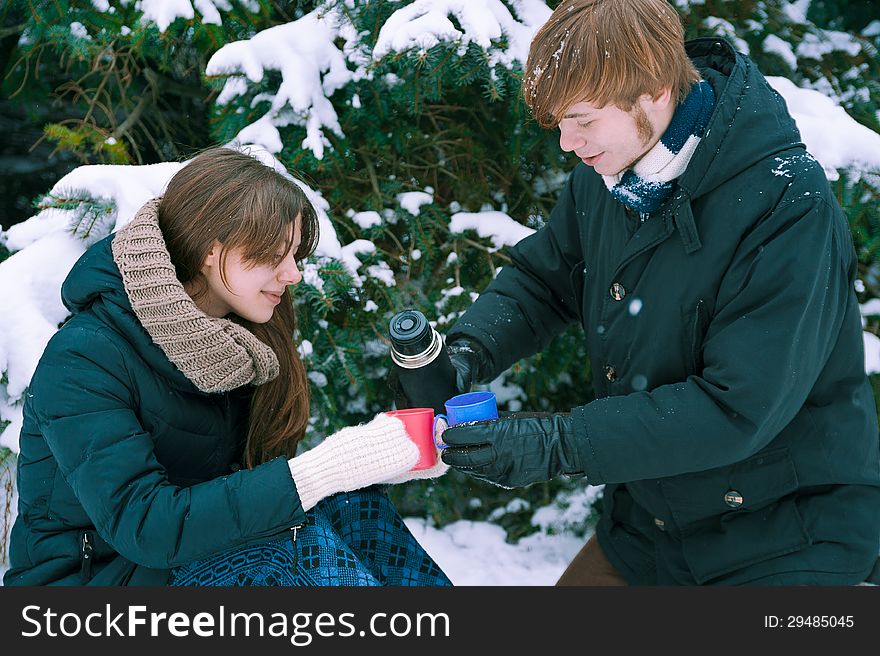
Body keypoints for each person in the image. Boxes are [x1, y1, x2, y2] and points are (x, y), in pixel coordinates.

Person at [428, 0, 880, 585]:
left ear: (656, 92)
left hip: (786, 536)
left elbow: (734, 407)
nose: (567, 142)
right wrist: (466, 352)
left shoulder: (787, 204)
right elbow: (545, 279)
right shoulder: (611, 173)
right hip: (650, 525)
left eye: (583, 120)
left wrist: (558, 444)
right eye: (560, 123)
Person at [4, 146, 450, 586]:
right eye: (275, 254)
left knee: (353, 505)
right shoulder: (83, 358)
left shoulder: (233, 344)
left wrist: (383, 463)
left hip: (177, 572)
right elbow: (147, 526)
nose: (293, 274)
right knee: (285, 550)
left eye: (295, 255)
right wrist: (328, 466)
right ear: (210, 252)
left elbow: (244, 497)